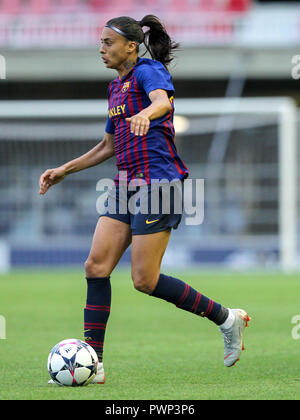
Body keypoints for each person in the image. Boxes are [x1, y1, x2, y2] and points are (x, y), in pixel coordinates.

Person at [40, 15, 250, 385]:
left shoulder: (148, 71)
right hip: (124, 185)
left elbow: (163, 103)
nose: (101, 48)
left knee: (144, 280)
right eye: (101, 42)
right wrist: (65, 169)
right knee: (95, 266)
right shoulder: (115, 88)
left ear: (131, 47)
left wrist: (146, 113)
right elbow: (108, 144)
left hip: (159, 184)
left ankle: (226, 318)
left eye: (107, 42)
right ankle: (95, 364)